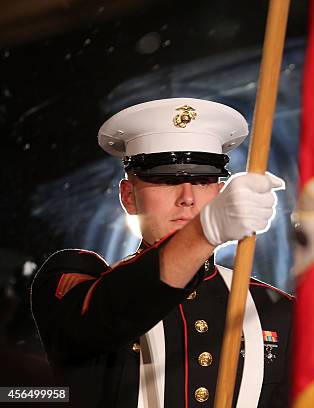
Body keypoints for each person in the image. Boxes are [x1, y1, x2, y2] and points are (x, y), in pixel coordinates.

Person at [31, 98, 293, 408]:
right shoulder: (81, 280)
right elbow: (103, 316)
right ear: (128, 196)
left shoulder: (277, 310)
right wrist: (203, 232)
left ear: (220, 194)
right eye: (166, 180)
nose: (187, 197)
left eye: (202, 180)